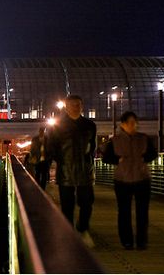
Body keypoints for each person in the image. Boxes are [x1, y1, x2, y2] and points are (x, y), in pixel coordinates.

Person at [46, 94, 98, 247]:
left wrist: (88, 159)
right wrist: (60, 160)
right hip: (66, 169)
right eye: (73, 104)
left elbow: (92, 146)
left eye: (79, 104)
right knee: (67, 204)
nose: (76, 107)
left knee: (87, 202)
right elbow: (51, 147)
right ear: (66, 107)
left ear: (82, 106)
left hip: (85, 169)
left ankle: (83, 229)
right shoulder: (58, 126)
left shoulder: (90, 125)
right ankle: (69, 232)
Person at [103, 111, 157, 250]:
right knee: (124, 211)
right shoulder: (115, 140)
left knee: (142, 211)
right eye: (130, 122)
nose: (134, 125)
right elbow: (106, 158)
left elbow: (153, 154)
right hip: (122, 179)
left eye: (135, 122)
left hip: (142, 178)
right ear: (123, 124)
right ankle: (126, 241)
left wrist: (144, 159)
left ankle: (141, 241)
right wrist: (118, 160)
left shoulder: (143, 138)